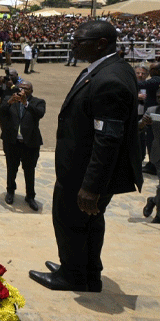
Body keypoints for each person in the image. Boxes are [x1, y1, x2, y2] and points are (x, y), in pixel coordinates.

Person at [29, 20, 143, 293]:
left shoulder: (110, 79)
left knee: (71, 221)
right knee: (87, 223)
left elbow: (108, 138)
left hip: (84, 173)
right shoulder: (108, 68)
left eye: (80, 41)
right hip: (82, 168)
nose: (73, 45)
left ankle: (73, 276)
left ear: (101, 44)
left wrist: (91, 187)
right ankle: (85, 272)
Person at [0, 81, 45, 211]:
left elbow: (39, 114)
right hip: (12, 143)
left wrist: (25, 103)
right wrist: (9, 102)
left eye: (26, 88)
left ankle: (30, 196)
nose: (22, 90)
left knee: (29, 171)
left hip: (30, 144)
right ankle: (10, 191)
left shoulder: (38, 102)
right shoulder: (9, 99)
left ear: (31, 91)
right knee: (11, 169)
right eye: (21, 87)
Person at [138, 91, 160, 223]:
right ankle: (158, 216)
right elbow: (138, 127)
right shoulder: (152, 110)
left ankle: (153, 200)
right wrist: (143, 123)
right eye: (158, 96)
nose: (158, 99)